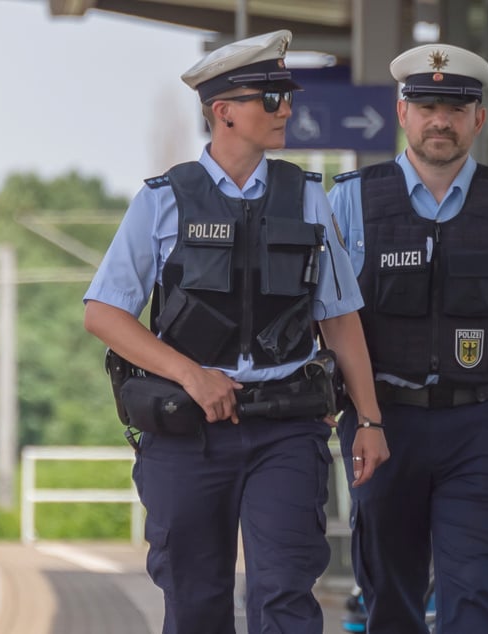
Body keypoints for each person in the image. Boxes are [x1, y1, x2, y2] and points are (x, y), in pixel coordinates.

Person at [83, 29, 389, 634]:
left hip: (285, 430)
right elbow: (103, 312)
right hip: (188, 433)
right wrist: (191, 376)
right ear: (223, 111)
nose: (287, 110)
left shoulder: (305, 196)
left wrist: (372, 420)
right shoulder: (162, 201)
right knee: (195, 603)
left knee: (284, 597)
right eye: (271, 97)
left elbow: (339, 314)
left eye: (286, 96)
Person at [327, 43, 488, 634]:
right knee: (389, 596)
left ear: (479, 119)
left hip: (481, 426)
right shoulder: (349, 200)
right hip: (381, 424)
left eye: (456, 106)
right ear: (402, 113)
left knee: (474, 594)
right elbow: (322, 314)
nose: (440, 119)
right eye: (426, 105)